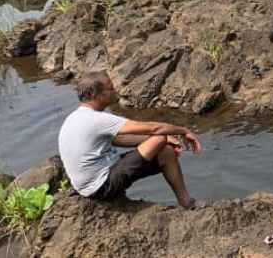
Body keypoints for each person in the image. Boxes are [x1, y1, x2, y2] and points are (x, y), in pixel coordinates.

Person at [57, 71, 203, 208]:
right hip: (102, 187)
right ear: (96, 95)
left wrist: (157, 141)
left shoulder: (75, 118)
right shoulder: (96, 119)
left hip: (91, 184)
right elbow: (154, 129)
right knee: (159, 138)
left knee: (165, 151)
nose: (115, 91)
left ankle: (186, 202)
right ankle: (187, 202)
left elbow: (119, 139)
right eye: (111, 89)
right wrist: (183, 131)